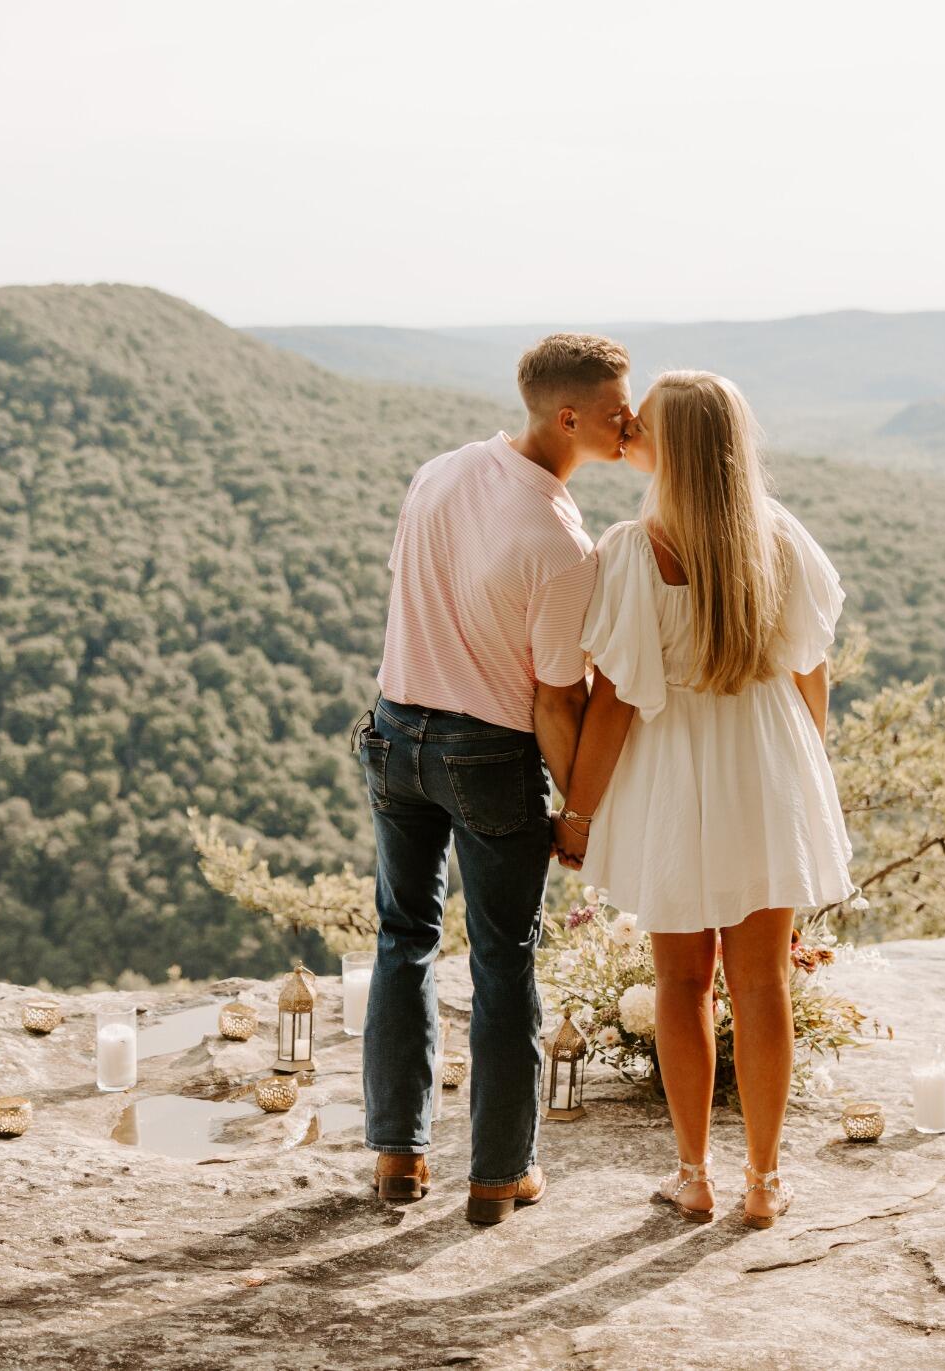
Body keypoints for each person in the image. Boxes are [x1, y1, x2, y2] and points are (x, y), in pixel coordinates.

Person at [551, 370, 853, 1230]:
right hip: (766, 762)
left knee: (681, 982)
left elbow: (611, 703)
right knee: (763, 986)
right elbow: (812, 675)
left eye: (641, 421)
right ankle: (763, 1182)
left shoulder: (632, 551)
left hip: (674, 769)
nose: (628, 426)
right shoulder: (782, 541)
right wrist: (803, 779)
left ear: (671, 447)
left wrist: (577, 814)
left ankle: (694, 1175)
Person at [356, 332, 632, 1224]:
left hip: (397, 732)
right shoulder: (560, 540)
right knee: (505, 959)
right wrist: (581, 811)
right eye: (616, 407)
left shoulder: (438, 470)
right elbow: (557, 702)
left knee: (404, 939)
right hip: (487, 750)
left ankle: (398, 1158)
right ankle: (499, 1174)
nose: (629, 420)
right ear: (568, 417)